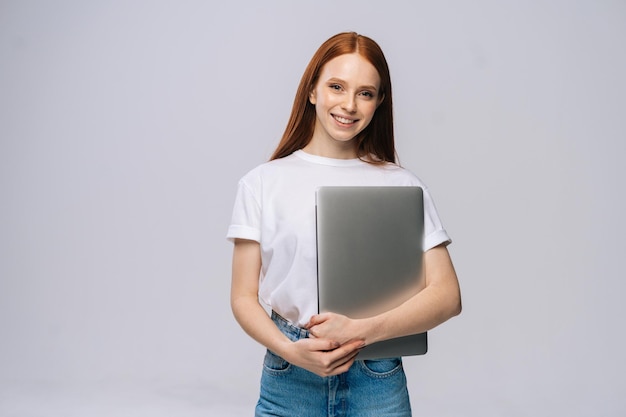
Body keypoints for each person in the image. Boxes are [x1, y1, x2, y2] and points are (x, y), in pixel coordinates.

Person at [227, 32, 462, 417]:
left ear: (379, 102)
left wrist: (361, 331)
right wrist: (290, 350)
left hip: (376, 375)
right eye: (336, 86)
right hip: (290, 373)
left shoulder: (402, 185)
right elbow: (242, 297)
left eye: (365, 93)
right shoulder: (261, 183)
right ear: (313, 90)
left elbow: (447, 296)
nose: (349, 105)